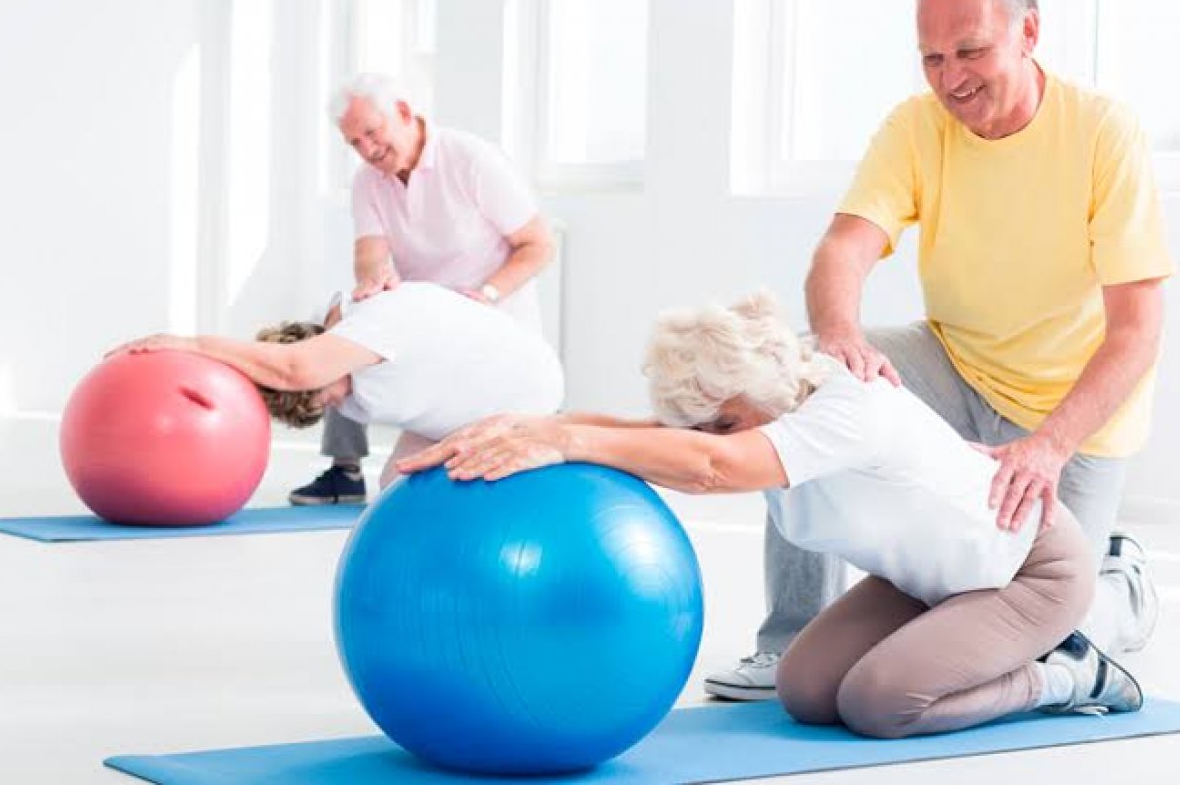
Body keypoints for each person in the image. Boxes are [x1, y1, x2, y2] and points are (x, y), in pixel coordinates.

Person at [706, 0, 1173, 700]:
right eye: (932, 58)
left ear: (1030, 33)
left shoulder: (1103, 132)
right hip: (958, 364)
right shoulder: (917, 127)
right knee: (798, 376)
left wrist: (1048, 446)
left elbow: (1138, 333)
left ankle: (1124, 588)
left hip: (1068, 411)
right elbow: (844, 248)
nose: (952, 77)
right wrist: (838, 338)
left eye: (972, 51)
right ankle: (788, 640)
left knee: (1044, 616)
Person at [397, 292, 1142, 739]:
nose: (706, 438)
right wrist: (525, 425)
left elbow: (712, 466)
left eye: (718, 423)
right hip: (934, 582)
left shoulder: (846, 408)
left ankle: (1067, 676)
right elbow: (672, 441)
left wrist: (564, 441)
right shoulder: (761, 412)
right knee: (806, 691)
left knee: (880, 704)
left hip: (1030, 571)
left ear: (749, 397)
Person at [290, 73, 556, 505]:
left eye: (372, 134)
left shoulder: (470, 159)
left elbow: (539, 244)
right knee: (338, 322)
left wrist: (486, 294)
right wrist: (373, 282)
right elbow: (370, 253)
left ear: (403, 112)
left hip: (491, 326)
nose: (367, 150)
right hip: (428, 329)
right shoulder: (367, 182)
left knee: (448, 474)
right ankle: (345, 468)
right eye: (354, 143)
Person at [110, 283, 564, 488]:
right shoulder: (351, 384)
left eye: (324, 392)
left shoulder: (376, 321)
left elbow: (293, 368)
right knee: (393, 490)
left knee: (427, 494)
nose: (334, 401)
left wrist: (190, 344)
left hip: (522, 390)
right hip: (457, 409)